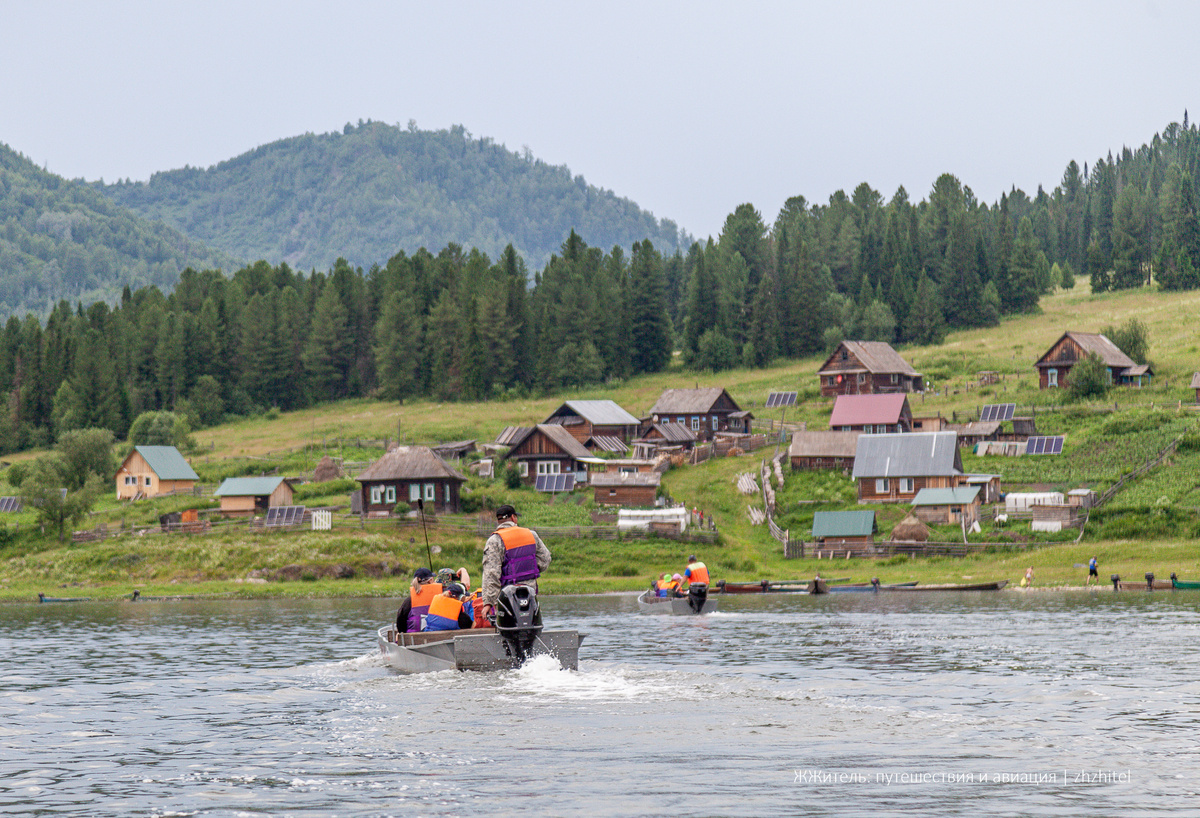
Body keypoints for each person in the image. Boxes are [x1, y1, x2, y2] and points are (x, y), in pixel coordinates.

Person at [481, 504, 552, 621]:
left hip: (506, 597)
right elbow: (545, 560)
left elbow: (491, 574)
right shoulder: (531, 535)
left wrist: (489, 602)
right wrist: (530, 569)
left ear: (499, 521)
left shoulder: (494, 541)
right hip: (530, 595)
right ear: (513, 518)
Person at [395, 567, 442, 633]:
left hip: (413, 638)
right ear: (430, 581)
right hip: (438, 636)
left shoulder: (409, 601)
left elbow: (400, 622)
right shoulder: (441, 597)